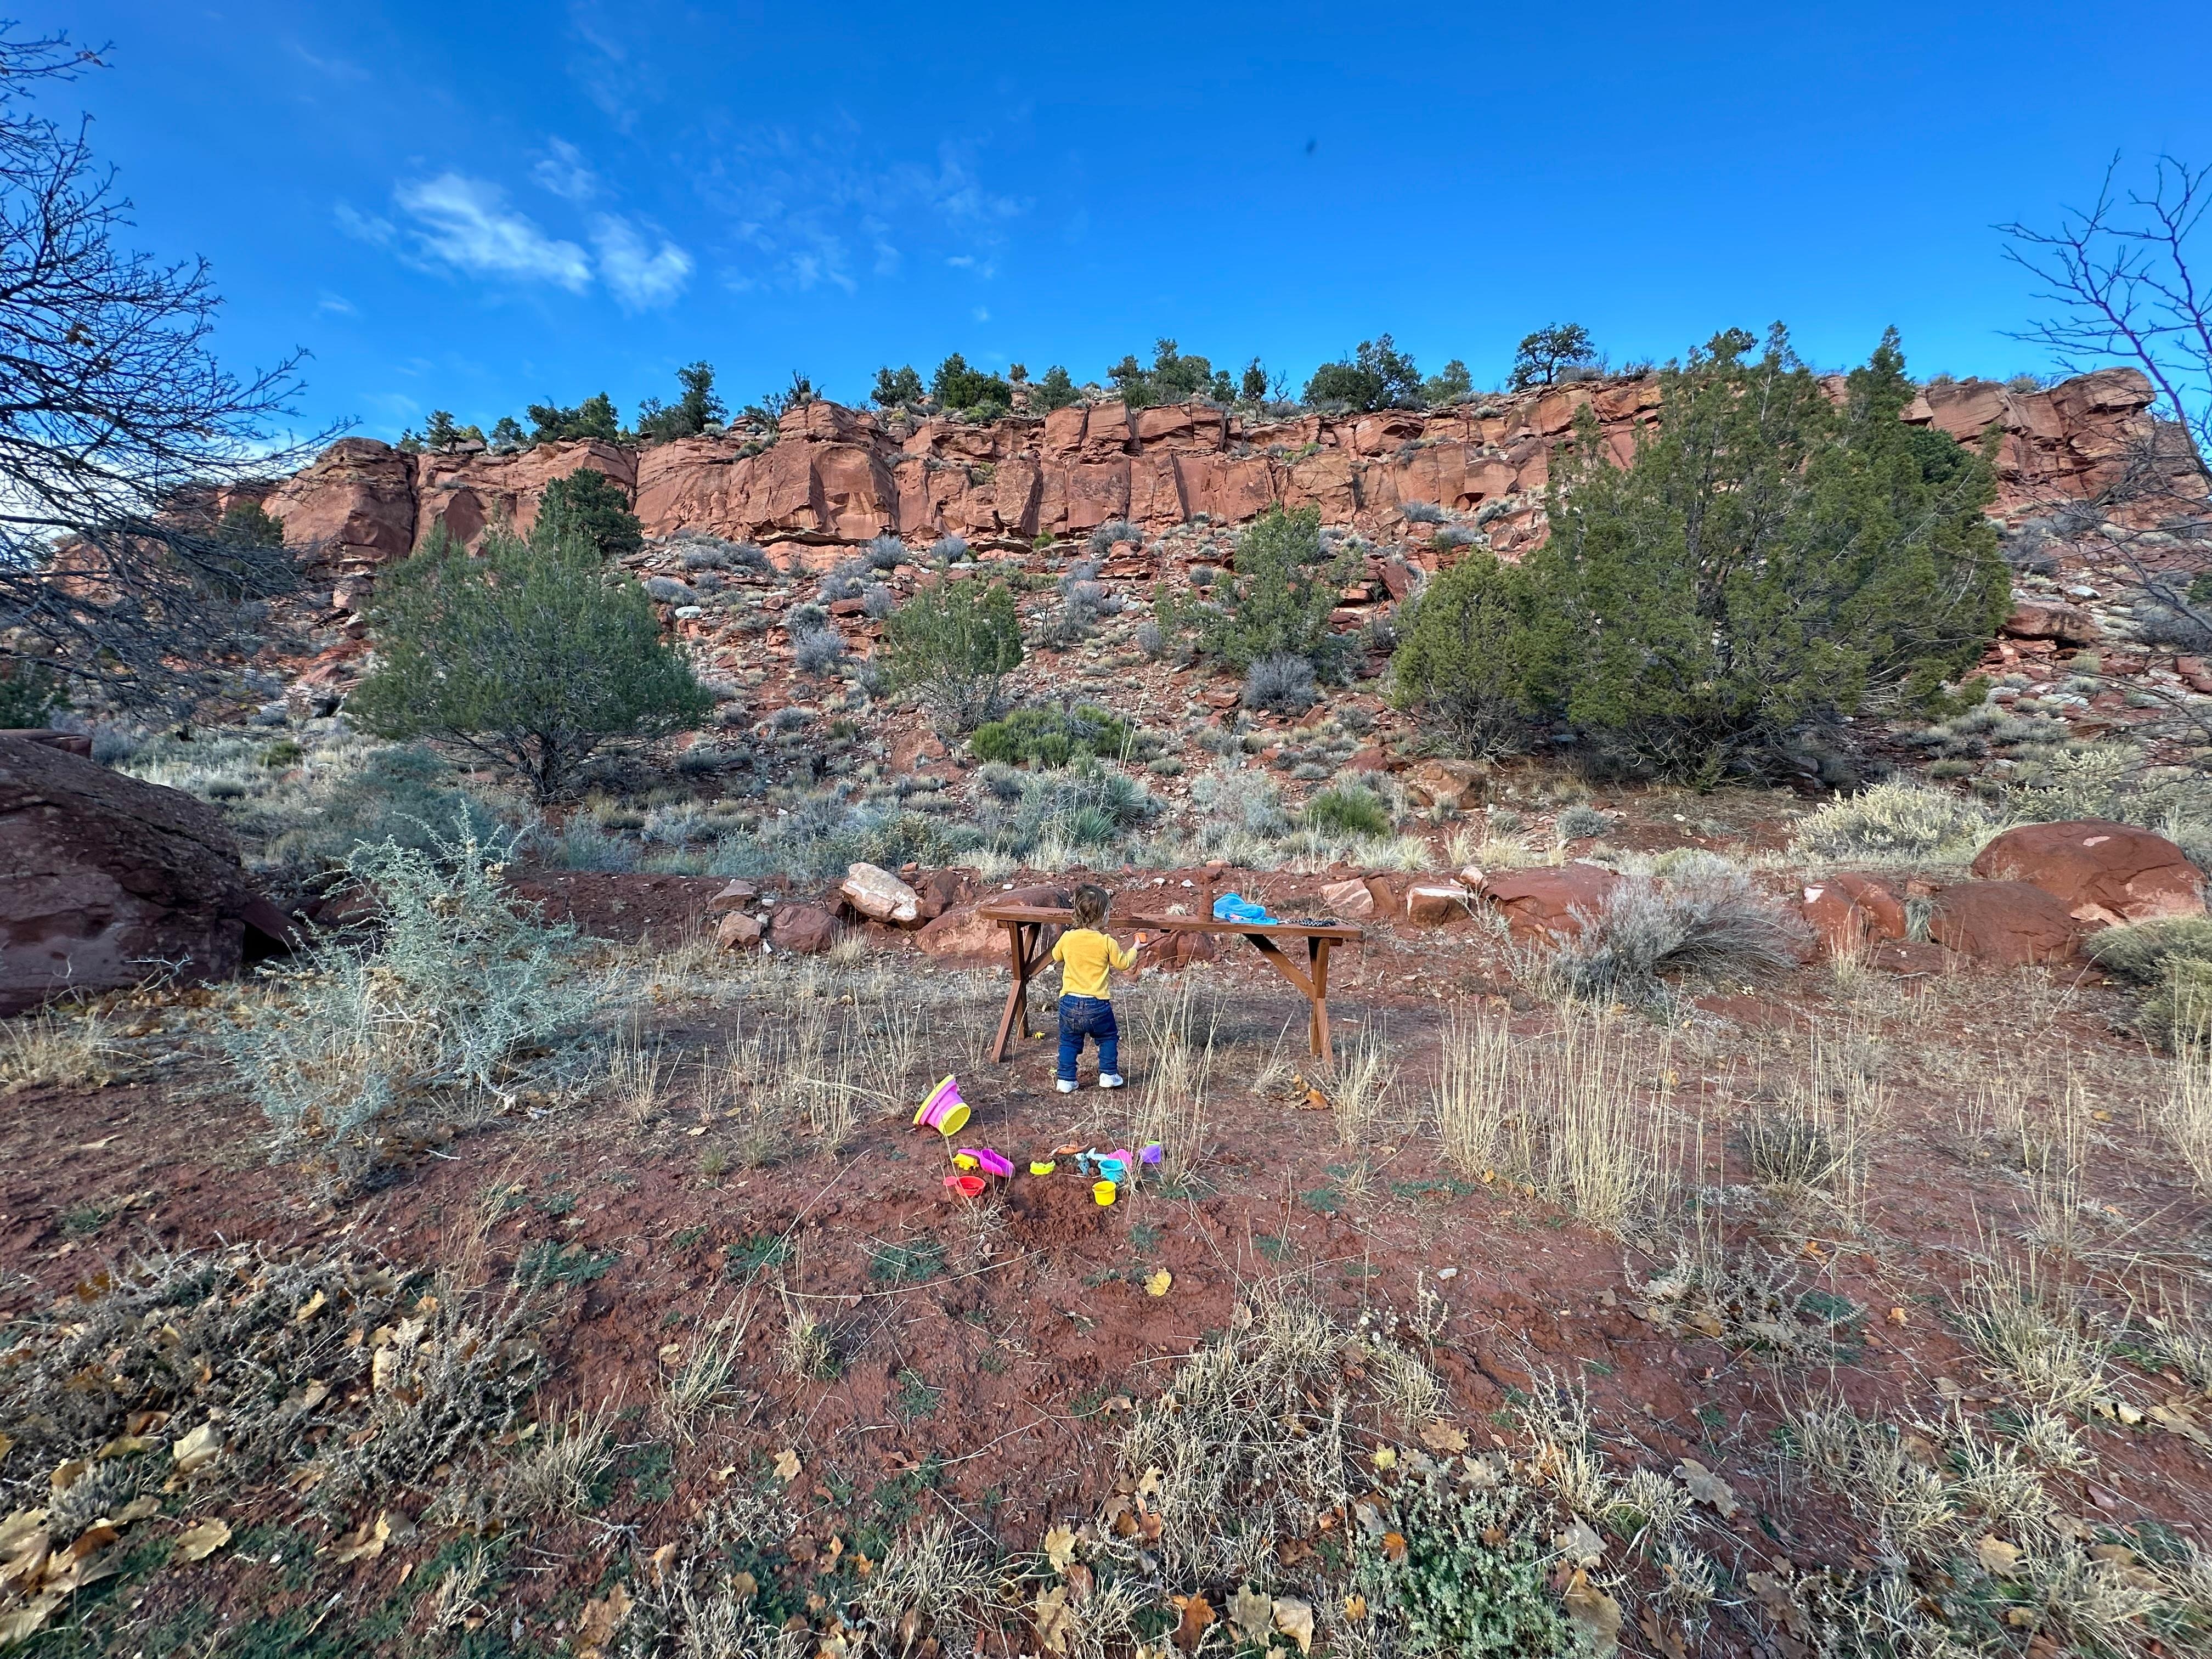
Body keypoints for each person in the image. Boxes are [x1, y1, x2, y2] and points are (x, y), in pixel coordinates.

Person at [1051, 883, 1144, 1093]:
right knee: (1108, 1037)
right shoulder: (1106, 942)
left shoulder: (1068, 938)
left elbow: (1056, 956)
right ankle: (1109, 1074)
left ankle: (1065, 1079)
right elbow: (1123, 964)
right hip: (1097, 1004)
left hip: (1069, 1002)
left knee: (1068, 1041)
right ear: (1102, 916)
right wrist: (1135, 949)